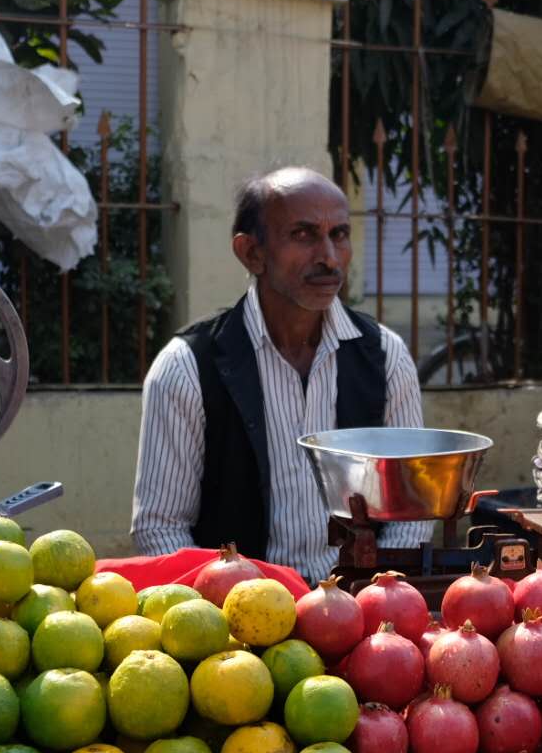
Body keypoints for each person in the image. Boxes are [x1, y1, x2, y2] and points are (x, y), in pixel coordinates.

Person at [132, 167, 431, 580]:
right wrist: (243, 601)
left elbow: (410, 514)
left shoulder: (385, 356)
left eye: (339, 235)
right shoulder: (186, 368)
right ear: (251, 253)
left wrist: (371, 596)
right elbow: (160, 529)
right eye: (304, 235)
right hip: (238, 625)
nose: (328, 257)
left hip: (363, 618)